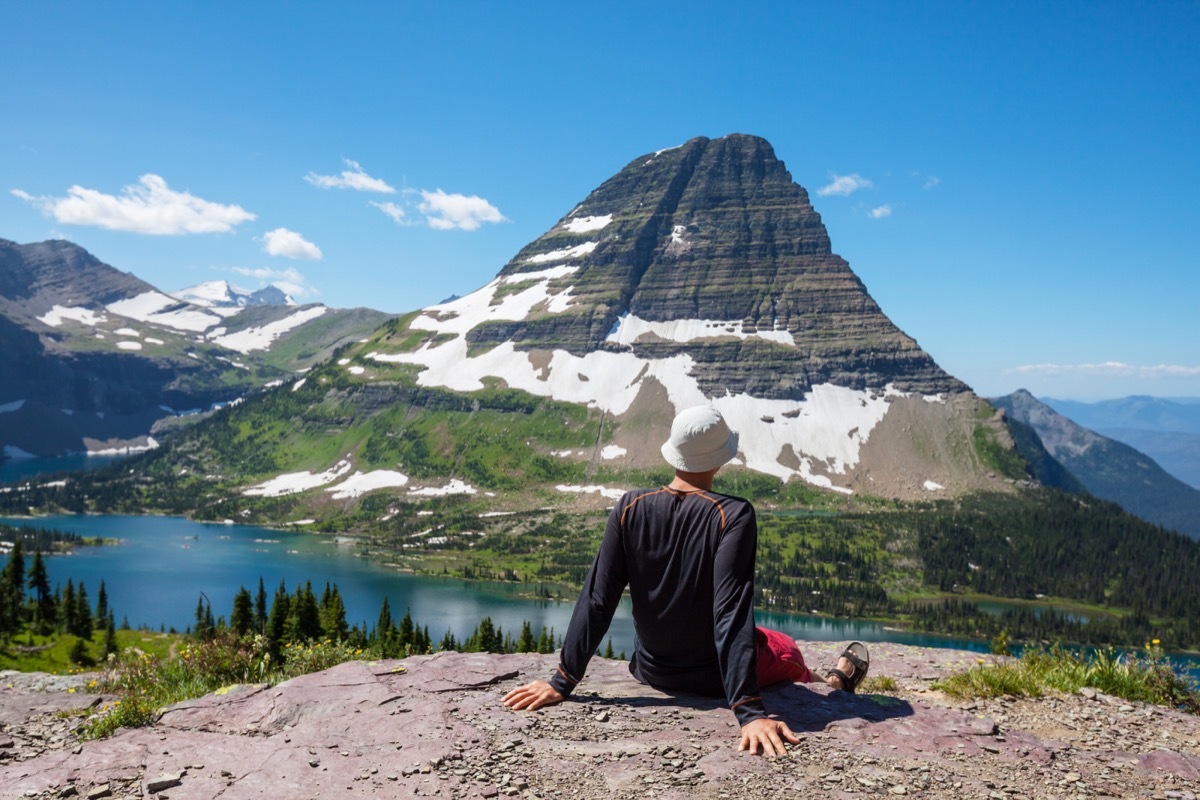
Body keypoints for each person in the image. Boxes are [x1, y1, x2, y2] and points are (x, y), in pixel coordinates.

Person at [502, 405, 870, 757]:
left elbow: (599, 598)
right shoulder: (733, 514)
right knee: (786, 648)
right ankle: (833, 685)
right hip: (715, 682)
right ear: (719, 457)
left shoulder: (630, 506)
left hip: (650, 672)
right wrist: (749, 712)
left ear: (673, 453)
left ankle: (829, 682)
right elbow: (730, 612)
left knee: (769, 642)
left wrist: (562, 681)